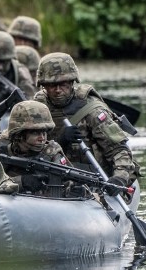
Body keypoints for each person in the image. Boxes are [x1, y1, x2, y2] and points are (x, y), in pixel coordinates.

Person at [34, 52, 138, 190]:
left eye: (63, 84)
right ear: (44, 86)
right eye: (52, 85)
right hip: (53, 174)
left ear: (72, 82)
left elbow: (119, 150)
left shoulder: (93, 111)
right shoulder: (37, 108)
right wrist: (61, 140)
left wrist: (119, 179)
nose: (58, 90)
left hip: (93, 177)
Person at [0, 101, 71, 196]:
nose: (42, 138)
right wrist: (22, 182)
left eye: (44, 132)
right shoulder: (2, 152)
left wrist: (72, 189)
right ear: (19, 135)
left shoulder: (51, 153)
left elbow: (67, 184)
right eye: (35, 133)